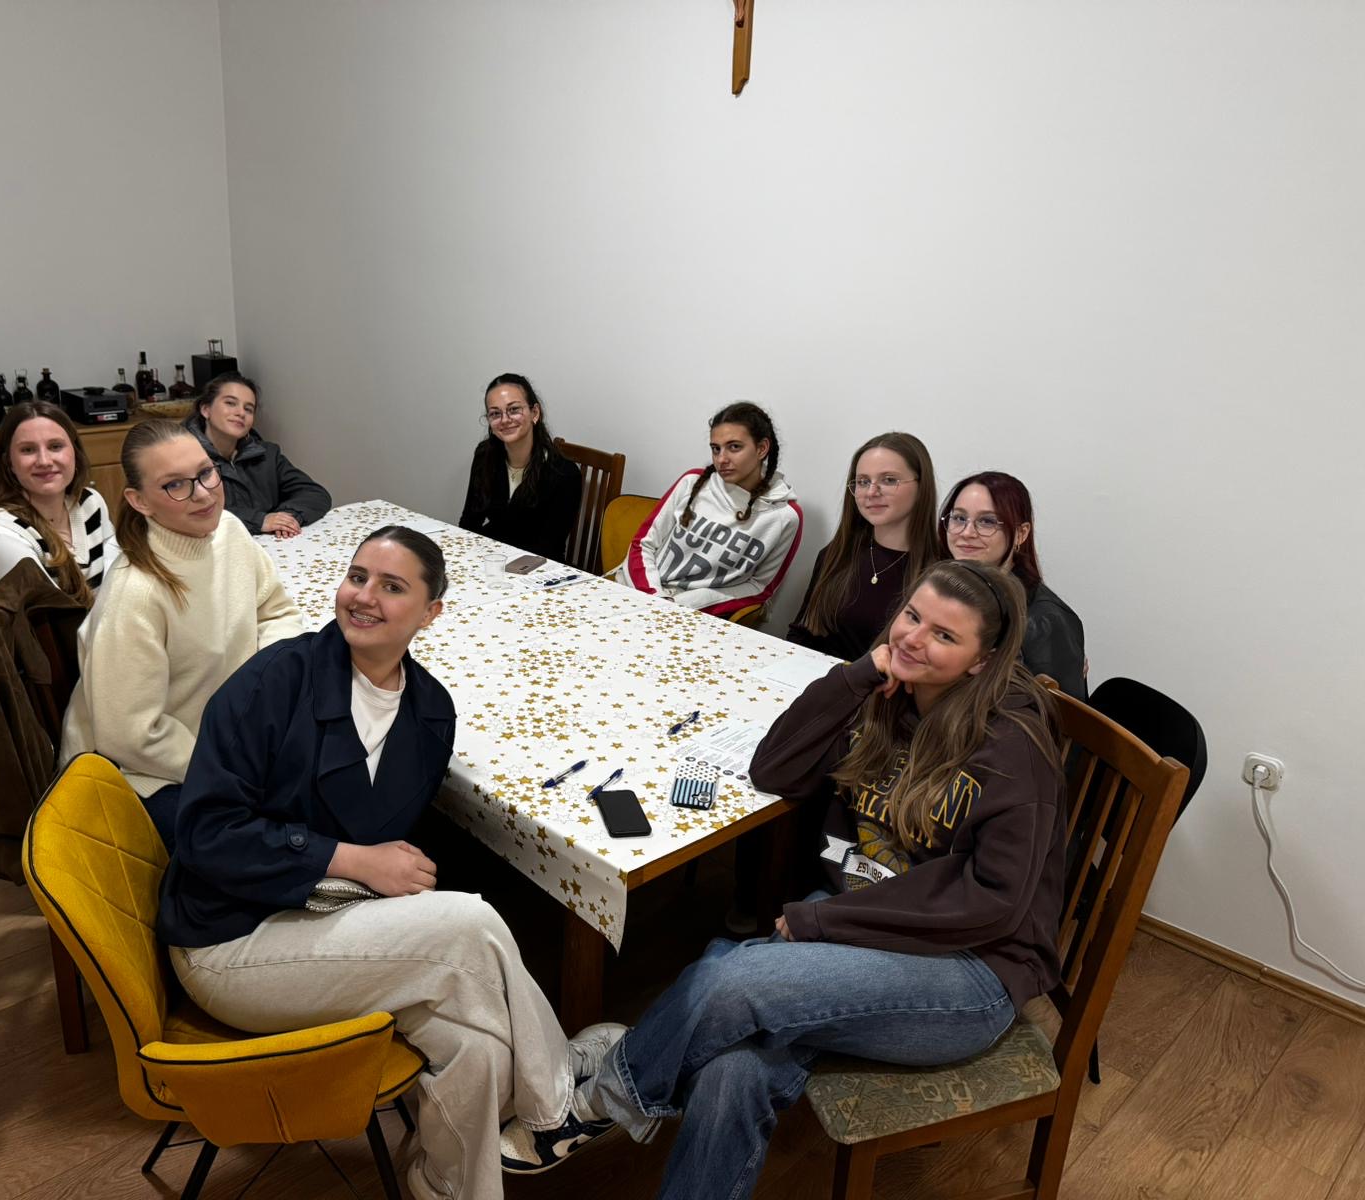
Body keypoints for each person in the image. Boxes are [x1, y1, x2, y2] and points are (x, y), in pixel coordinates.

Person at [506, 560, 1066, 1197]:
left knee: (734, 979)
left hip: (969, 970)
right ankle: (633, 1064)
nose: (913, 639)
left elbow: (992, 901)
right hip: (865, 925)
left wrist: (823, 919)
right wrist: (856, 674)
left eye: (944, 635)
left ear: (980, 661)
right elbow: (773, 769)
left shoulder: (1012, 746)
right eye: (912, 616)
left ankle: (603, 1093)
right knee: (733, 1068)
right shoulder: (885, 695)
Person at [157, 526, 623, 1200]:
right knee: (471, 923)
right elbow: (205, 835)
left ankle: (440, 1188)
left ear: (431, 613)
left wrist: (379, 877)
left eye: (391, 586)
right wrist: (352, 859)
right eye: (358, 577)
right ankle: (558, 1100)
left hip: (330, 924)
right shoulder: (273, 682)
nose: (364, 596)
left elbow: (398, 842)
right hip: (230, 940)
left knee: (480, 1049)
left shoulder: (431, 712)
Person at [60, 419, 301, 843]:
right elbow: (131, 737)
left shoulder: (229, 531)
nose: (203, 493)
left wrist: (264, 680)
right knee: (276, 840)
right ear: (139, 501)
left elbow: (274, 610)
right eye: (175, 485)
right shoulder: (135, 594)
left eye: (206, 472)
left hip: (227, 740)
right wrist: (232, 769)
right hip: (149, 774)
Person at [612, 402, 802, 618]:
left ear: (761, 449)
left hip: (696, 615)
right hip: (641, 594)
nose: (721, 459)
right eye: (716, 449)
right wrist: (656, 599)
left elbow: (760, 587)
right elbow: (643, 544)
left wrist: (684, 604)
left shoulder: (785, 517)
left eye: (734, 447)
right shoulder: (692, 482)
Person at [787, 431, 940, 660]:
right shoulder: (836, 554)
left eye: (889, 480)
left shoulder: (940, 573)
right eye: (863, 482)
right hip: (815, 677)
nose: (871, 492)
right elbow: (802, 633)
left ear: (921, 487)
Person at [942, 470, 1088, 699]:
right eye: (959, 518)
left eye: (987, 521)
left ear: (1021, 533)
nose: (967, 532)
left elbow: (1058, 717)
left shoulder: (1045, 621)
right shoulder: (942, 591)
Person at [0, 400, 115, 601]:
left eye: (55, 446)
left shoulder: (89, 502)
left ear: (75, 452)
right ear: (9, 462)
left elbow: (118, 575)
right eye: (28, 450)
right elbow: (51, 615)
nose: (44, 461)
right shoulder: (0, 535)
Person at [185, 371, 332, 539]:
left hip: (272, 546)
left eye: (248, 409)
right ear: (205, 409)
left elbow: (315, 493)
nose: (241, 413)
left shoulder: (268, 454)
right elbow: (189, 510)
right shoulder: (182, 458)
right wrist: (259, 520)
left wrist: (286, 518)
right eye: (230, 403)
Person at [458, 373, 583, 560]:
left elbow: (548, 548)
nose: (505, 419)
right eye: (495, 413)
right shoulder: (485, 455)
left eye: (514, 409)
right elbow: (470, 522)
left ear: (535, 413)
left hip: (538, 566)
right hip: (491, 558)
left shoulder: (565, 474)